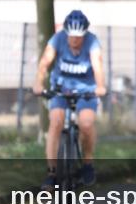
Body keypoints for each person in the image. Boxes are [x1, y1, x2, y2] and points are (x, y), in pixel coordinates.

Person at [32, 10, 106, 190]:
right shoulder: (57, 39)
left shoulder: (92, 42)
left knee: (86, 123)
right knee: (56, 122)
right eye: (72, 36)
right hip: (61, 88)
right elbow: (45, 62)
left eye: (79, 36)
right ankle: (51, 172)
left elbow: (97, 65)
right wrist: (38, 83)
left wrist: (100, 86)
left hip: (86, 91)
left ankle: (87, 163)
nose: (75, 40)